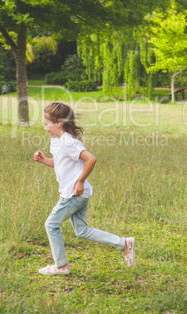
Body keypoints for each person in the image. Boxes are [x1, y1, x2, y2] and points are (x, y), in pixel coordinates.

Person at [34, 102, 134, 275]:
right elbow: (60, 164)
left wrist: (80, 181)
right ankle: (124, 244)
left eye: (46, 124)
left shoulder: (68, 142)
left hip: (73, 195)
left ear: (58, 124)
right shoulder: (56, 140)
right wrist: (45, 161)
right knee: (82, 231)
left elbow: (91, 159)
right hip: (77, 194)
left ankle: (61, 266)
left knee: (51, 225)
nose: (44, 128)